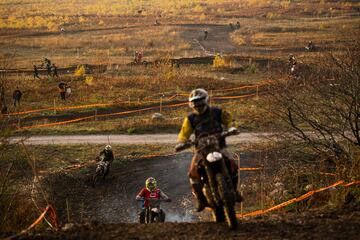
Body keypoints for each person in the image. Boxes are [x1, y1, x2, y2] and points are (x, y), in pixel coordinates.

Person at [175, 88, 241, 212]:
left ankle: (235, 191)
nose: (197, 105)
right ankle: (201, 200)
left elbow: (230, 120)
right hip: (201, 150)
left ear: (205, 100)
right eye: (195, 102)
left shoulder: (217, 112)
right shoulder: (190, 119)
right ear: (191, 104)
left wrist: (232, 128)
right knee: (192, 172)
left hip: (219, 146)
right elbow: (184, 133)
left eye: (199, 101)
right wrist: (181, 143)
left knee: (232, 164)